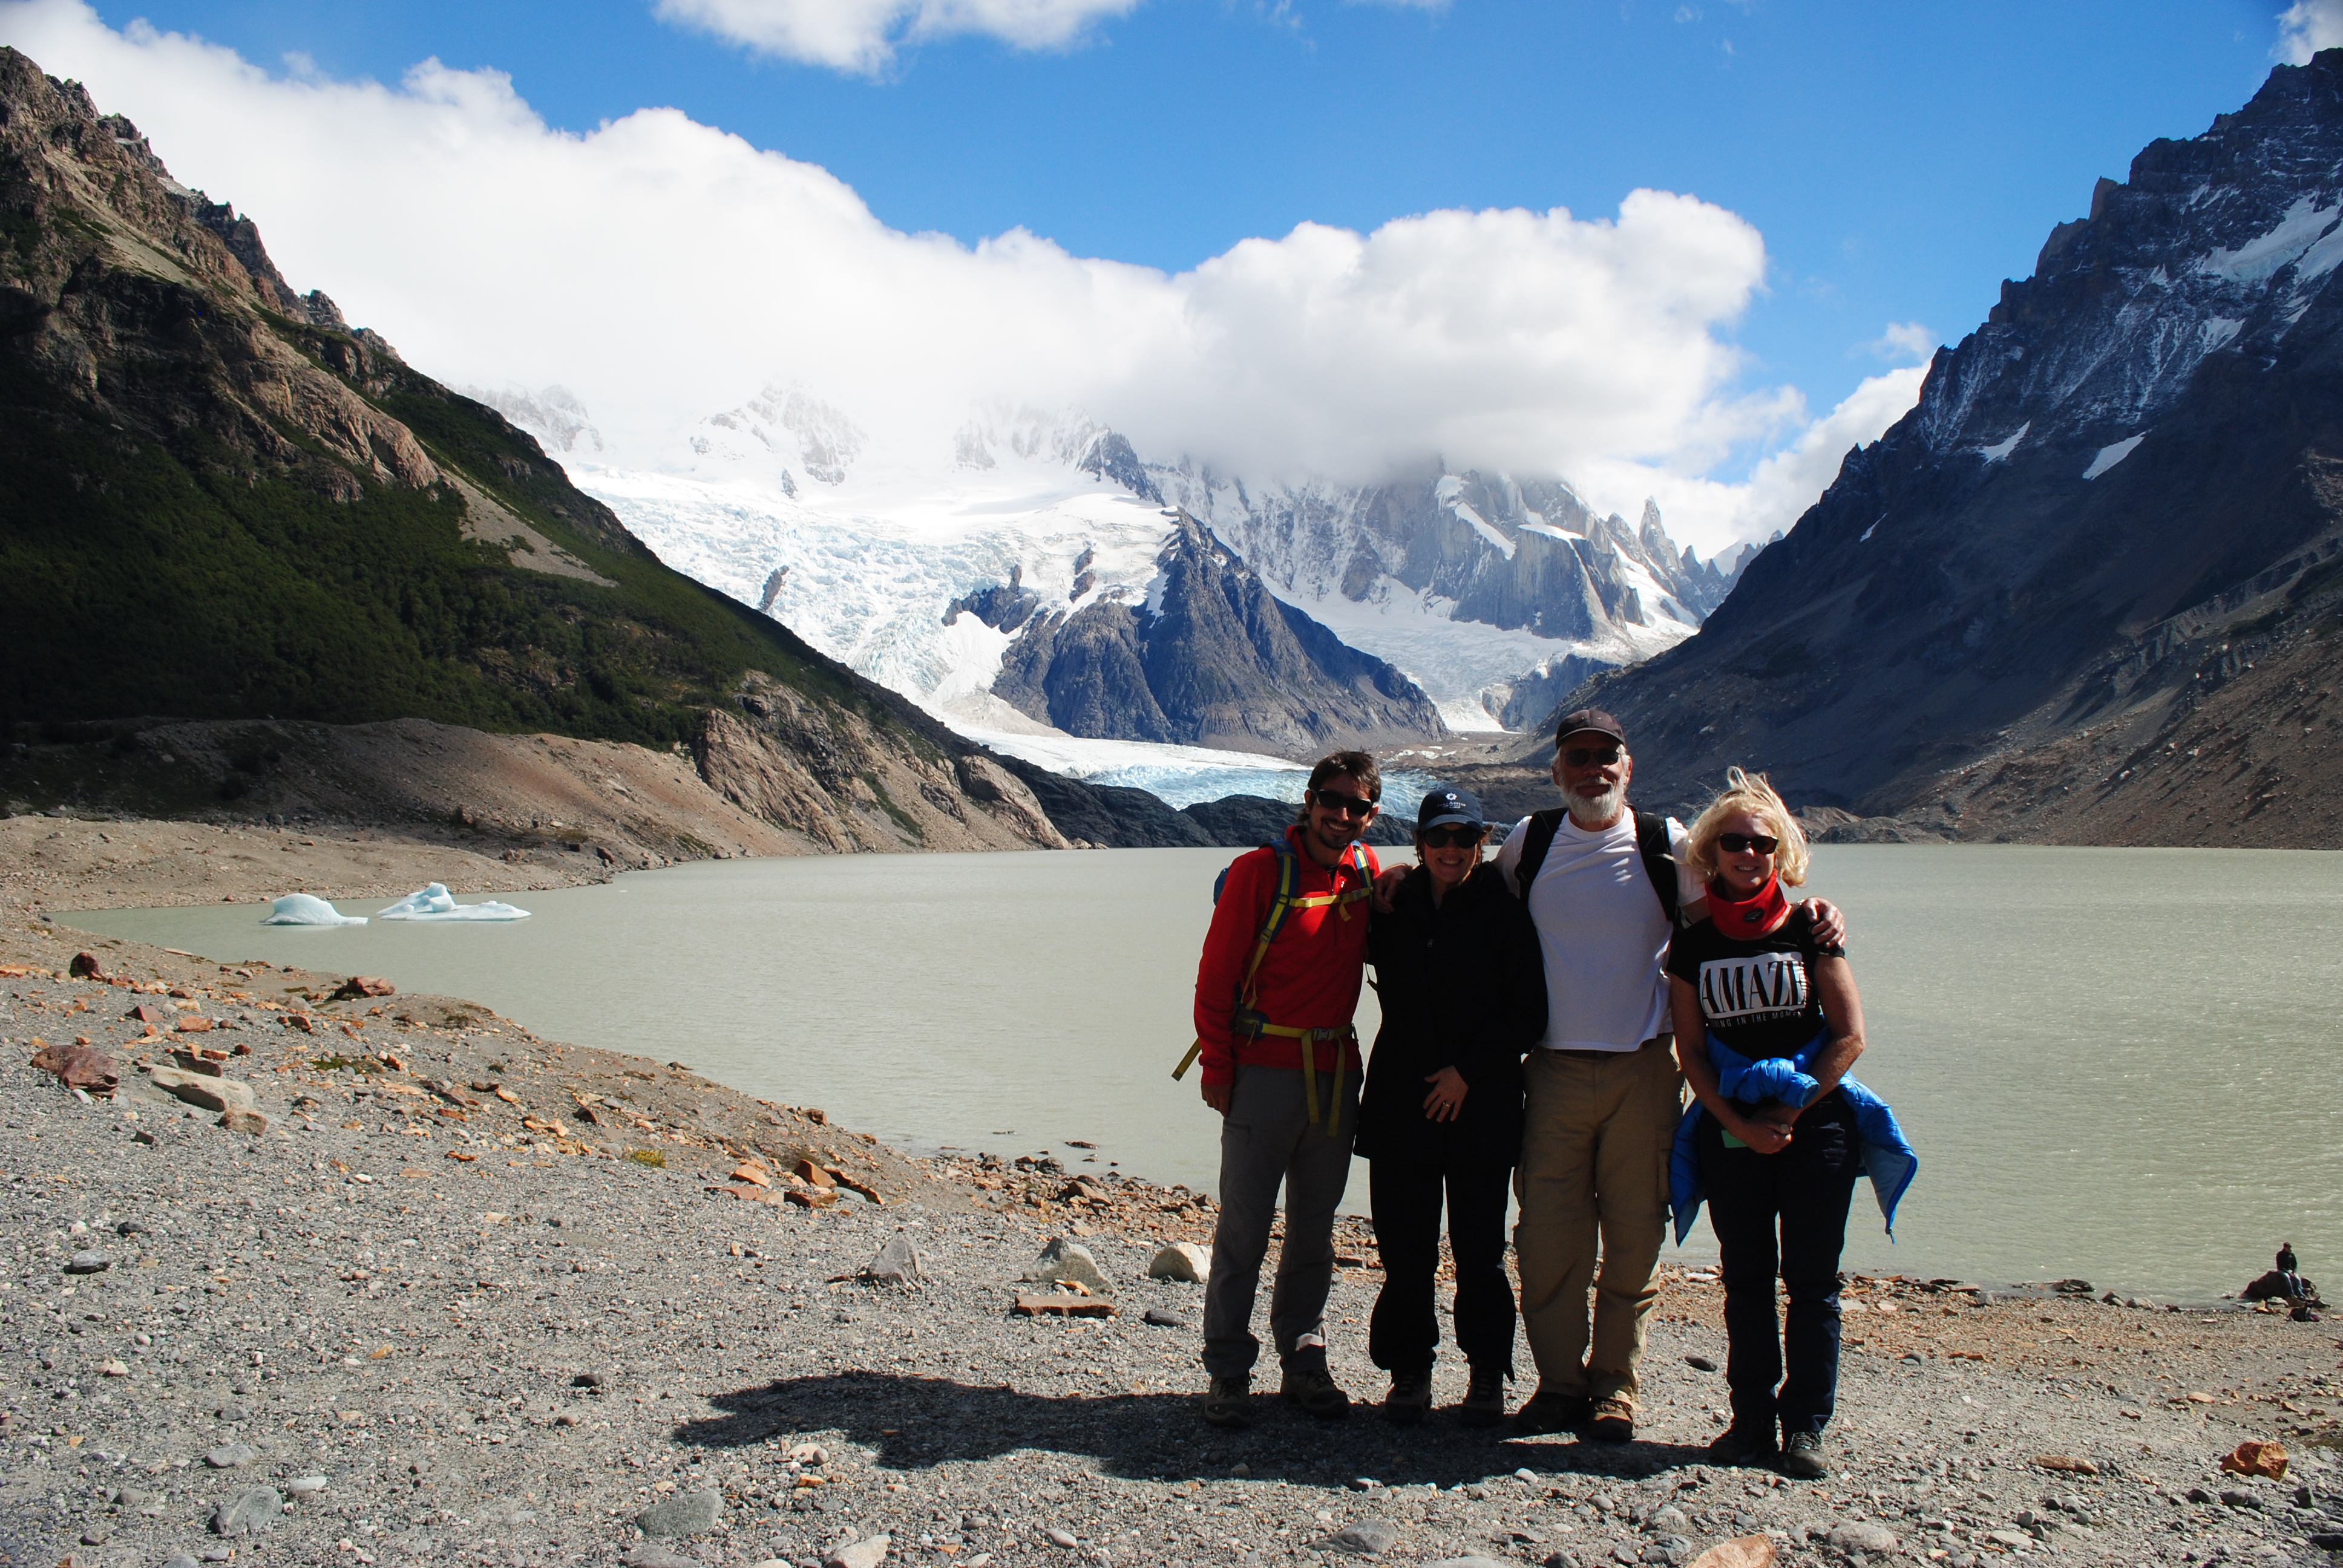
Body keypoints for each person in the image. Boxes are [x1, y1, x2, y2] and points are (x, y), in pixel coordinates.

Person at [1486, 708, 1844, 1445]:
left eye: (1606, 757)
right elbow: (1473, 914)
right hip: (1550, 1067)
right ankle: (1558, 1385)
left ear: (1628, 766)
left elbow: (1732, 918)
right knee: (1549, 1238)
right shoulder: (1530, 840)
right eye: (1577, 758)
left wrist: (1812, 911)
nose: (1593, 770)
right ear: (1555, 771)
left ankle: (1614, 1388)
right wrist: (1390, 890)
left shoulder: (1665, 843)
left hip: (1645, 1068)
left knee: (1633, 1233)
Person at [1667, 766, 1867, 1480]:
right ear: (1711, 853)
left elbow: (1848, 1036)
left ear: (1778, 852)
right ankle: (1749, 1420)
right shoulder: (1691, 944)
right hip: (1731, 1130)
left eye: (1759, 842)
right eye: (1731, 842)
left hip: (1813, 1125)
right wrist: (1734, 1124)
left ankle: (1805, 1426)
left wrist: (1784, 1112)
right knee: (1745, 1278)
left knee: (1812, 1282)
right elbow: (1689, 1052)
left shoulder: (1812, 928)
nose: (1746, 854)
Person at [1190, 751, 1384, 1429]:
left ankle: (1303, 1357)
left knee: (1314, 1227)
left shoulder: (1364, 870)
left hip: (1334, 1072)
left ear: (1371, 815)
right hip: (1263, 1072)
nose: (1340, 814)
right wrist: (1218, 1067)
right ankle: (1227, 1370)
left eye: (1355, 806)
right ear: (1308, 801)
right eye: (1330, 800)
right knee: (1243, 1225)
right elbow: (1214, 980)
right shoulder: (1257, 873)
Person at [1357, 786, 1547, 1426]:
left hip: (1480, 1104)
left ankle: (1486, 1374)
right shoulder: (1392, 906)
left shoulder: (1506, 912)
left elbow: (1527, 1012)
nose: (1449, 849)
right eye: (1437, 837)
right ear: (1418, 843)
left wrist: (1467, 1073)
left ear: (1480, 844)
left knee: (1479, 1250)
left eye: (1462, 838)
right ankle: (1409, 1371)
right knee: (1404, 1247)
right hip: (1400, 1102)